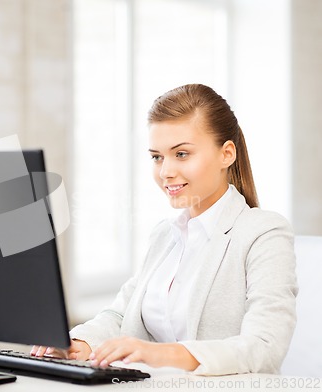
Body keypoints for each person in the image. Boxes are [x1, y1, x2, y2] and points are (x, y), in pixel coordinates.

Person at [31, 83, 298, 376]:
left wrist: (159, 354)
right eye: (157, 156)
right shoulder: (165, 235)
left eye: (181, 154)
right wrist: (79, 341)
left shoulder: (264, 233)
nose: (165, 171)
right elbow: (121, 314)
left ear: (227, 154)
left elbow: (265, 347)